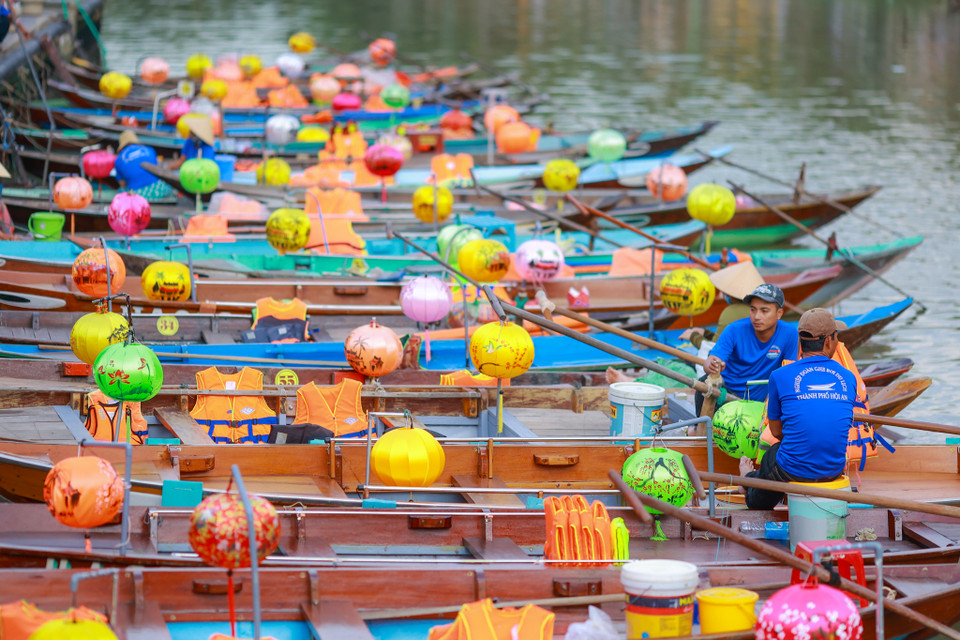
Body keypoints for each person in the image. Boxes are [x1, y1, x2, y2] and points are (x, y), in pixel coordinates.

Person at [740, 308, 856, 509]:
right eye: (837, 336)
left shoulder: (779, 375)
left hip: (792, 469)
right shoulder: (848, 377)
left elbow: (776, 431)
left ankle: (747, 482)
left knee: (772, 455)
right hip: (834, 469)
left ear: (800, 341)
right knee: (787, 454)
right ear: (829, 341)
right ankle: (753, 478)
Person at [694, 283, 798, 413]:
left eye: (764, 311)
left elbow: (788, 374)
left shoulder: (790, 334)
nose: (757, 316)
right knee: (704, 383)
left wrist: (770, 405)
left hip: (761, 402)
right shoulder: (734, 329)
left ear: (779, 313)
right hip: (726, 393)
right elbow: (712, 359)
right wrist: (712, 364)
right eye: (753, 310)